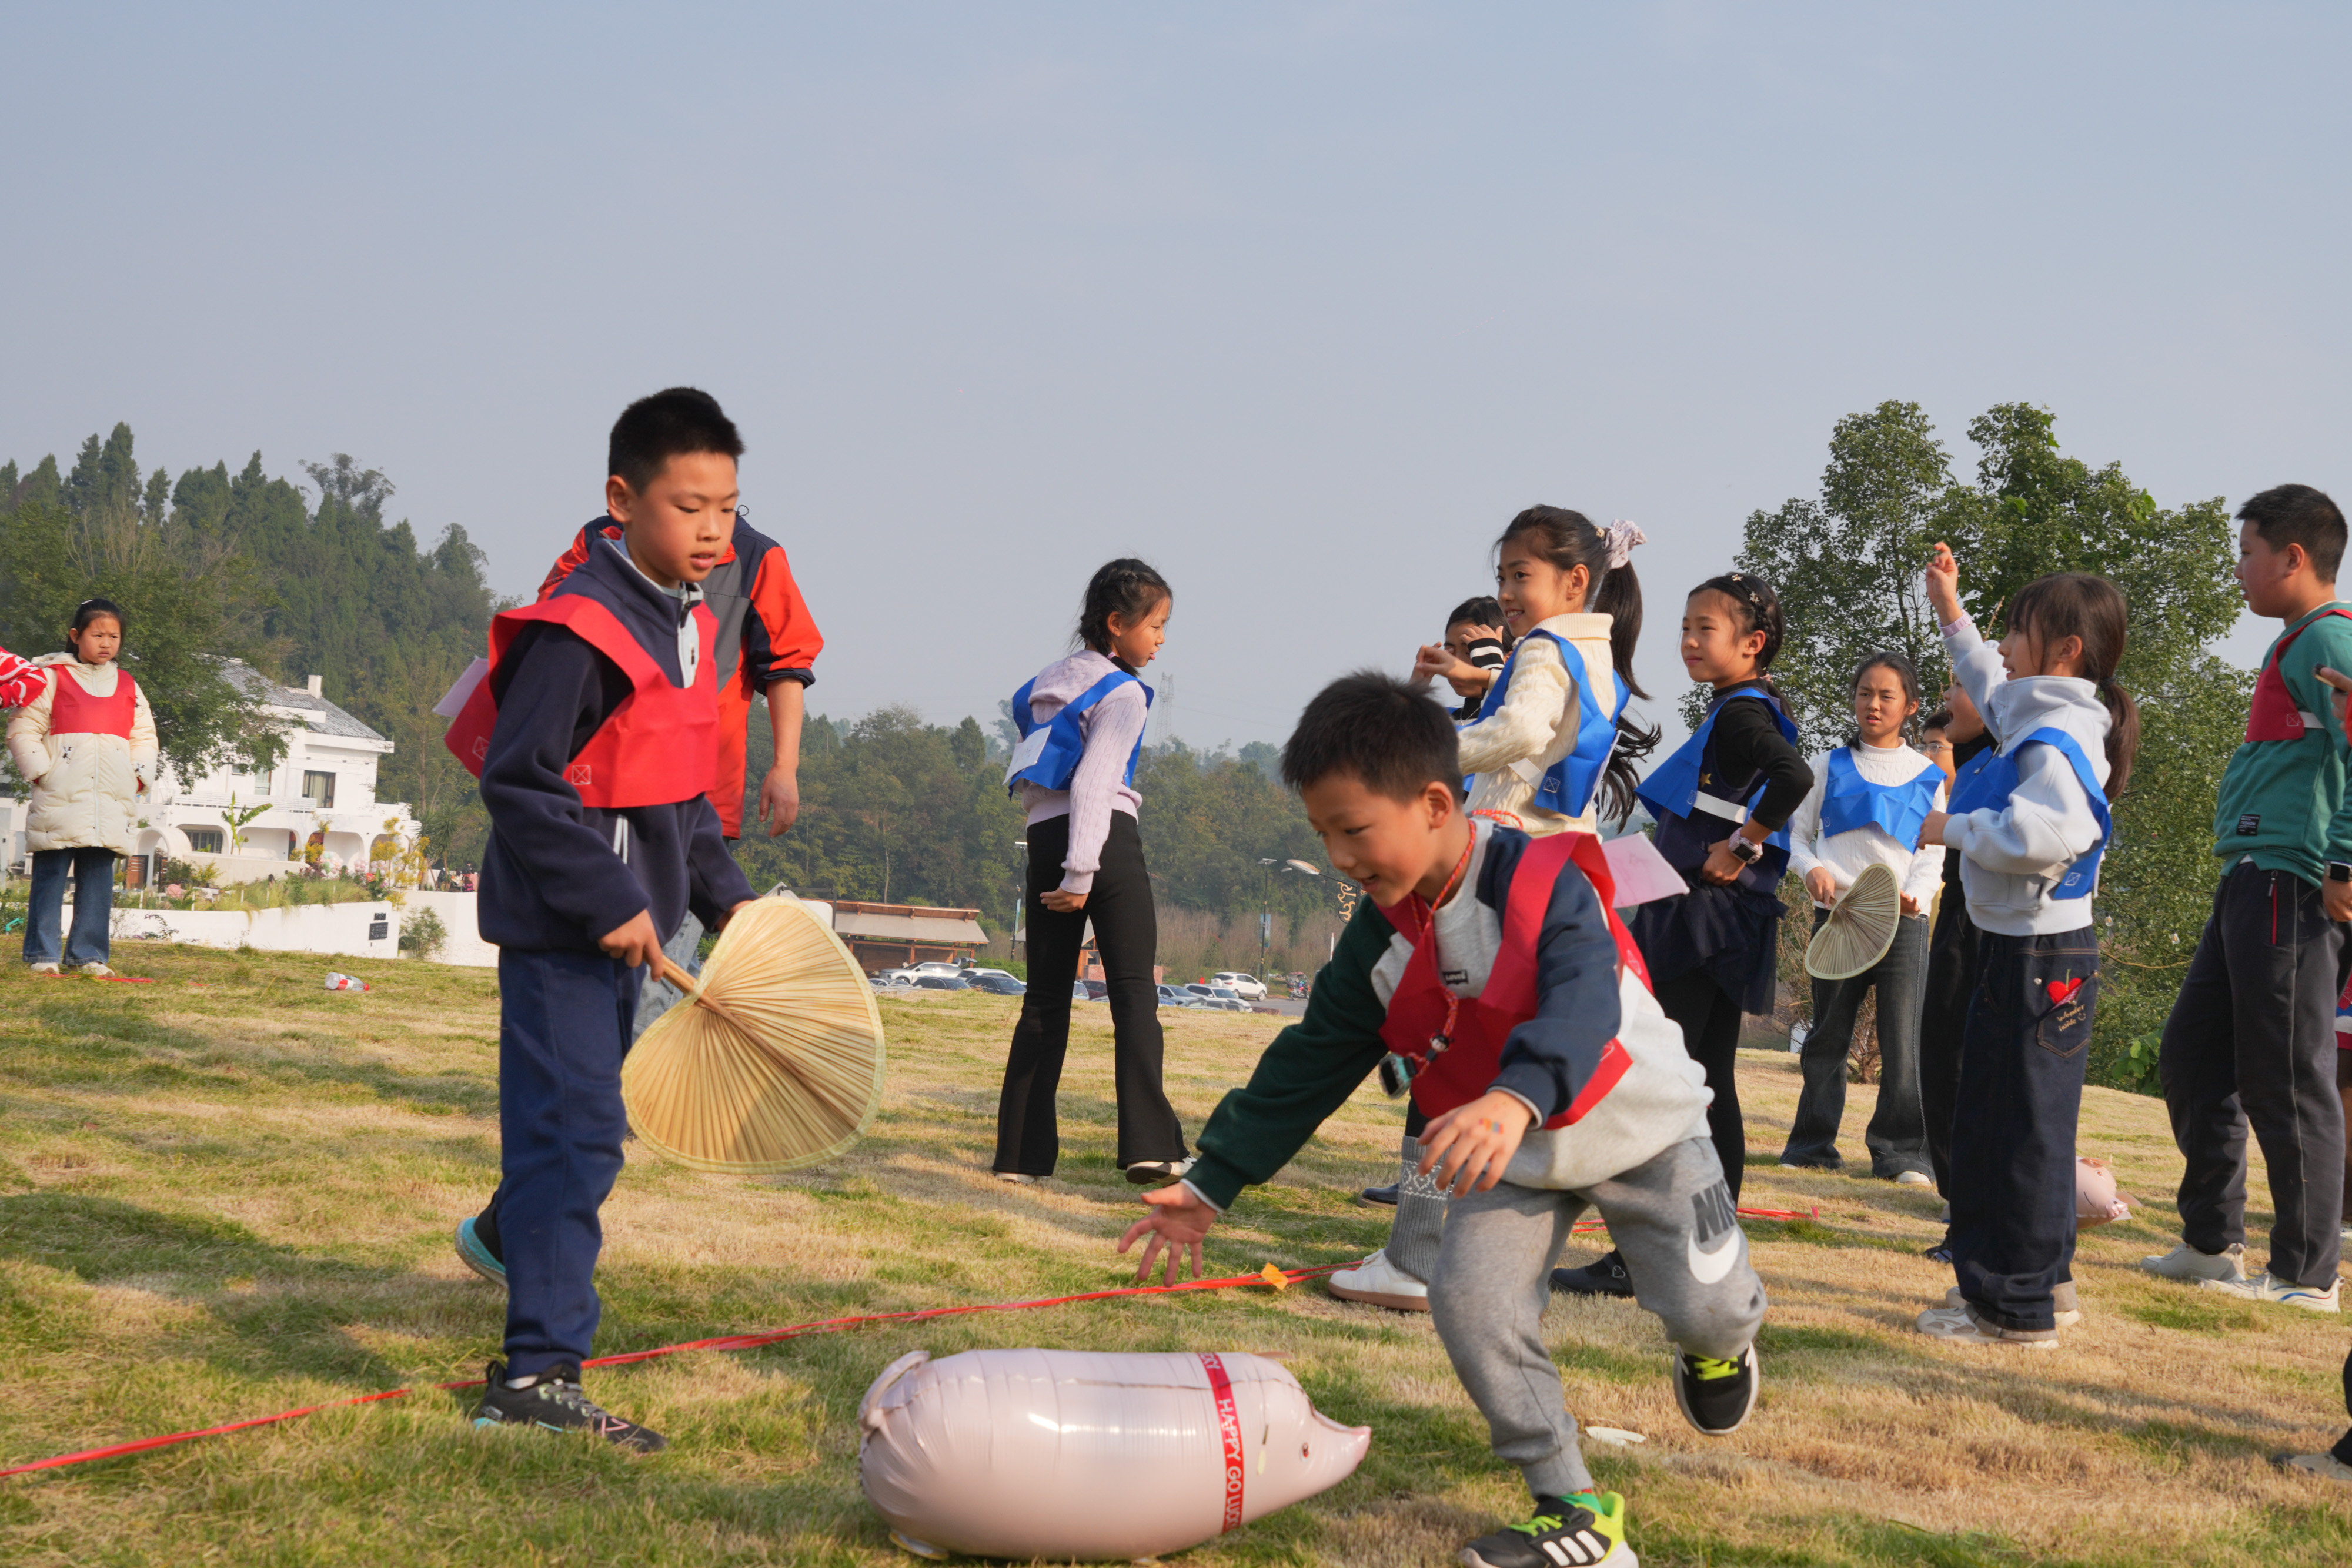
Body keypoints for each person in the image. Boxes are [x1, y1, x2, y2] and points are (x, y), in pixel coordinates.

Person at [1118, 672, 1764, 1568]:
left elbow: (1583, 999)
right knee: (1468, 1299)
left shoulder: (1543, 878)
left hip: (1641, 1124)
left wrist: (1514, 1094)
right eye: (1322, 834)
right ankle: (1576, 1508)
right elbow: (1313, 1055)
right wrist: (1214, 1179)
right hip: (1512, 1153)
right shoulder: (1377, 935)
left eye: (1353, 830)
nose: (1339, 856)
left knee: (1707, 1306)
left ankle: (1721, 1347)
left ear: (1432, 803)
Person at [441, 388, 759, 1449]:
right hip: (563, 935)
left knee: (582, 1136)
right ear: (622, 500)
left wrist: (732, 904)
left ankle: (507, 1233)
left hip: (631, 939)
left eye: (727, 508)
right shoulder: (578, 626)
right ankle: (534, 1378)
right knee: (573, 1136)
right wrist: (608, 897)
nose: (711, 529)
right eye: (688, 506)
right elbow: (520, 781)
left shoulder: (691, 624)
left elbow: (679, 798)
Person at [1347, 509, 1656, 1314]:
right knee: (1513, 1065)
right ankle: (1477, 1258)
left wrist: (1421, 761)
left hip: (1502, 865)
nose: (1508, 592)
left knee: (1434, 1045)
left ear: (1575, 581)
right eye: (1503, 577)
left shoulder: (1546, 647)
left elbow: (1520, 728)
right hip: (1564, 868)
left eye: (1521, 575)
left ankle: (1416, 1256)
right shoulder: (1600, 653)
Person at [1559, 573, 1810, 1299]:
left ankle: (1648, 1255)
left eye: (1706, 628)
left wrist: (1743, 845)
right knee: (1706, 1082)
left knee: (1666, 1083)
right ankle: (1706, 1247)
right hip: (1722, 920)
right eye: (1685, 627)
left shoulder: (1741, 714)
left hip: (1703, 918)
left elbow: (1792, 778)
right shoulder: (1745, 706)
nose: (1689, 641)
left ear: (1752, 643)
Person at [1913, 543, 2133, 1348]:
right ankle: (2039, 1282)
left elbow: (2049, 834)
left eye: (2017, 629)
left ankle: (2016, 1307)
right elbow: (1986, 680)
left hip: (2040, 959)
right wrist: (1949, 607)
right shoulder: (2041, 711)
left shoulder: (2057, 732)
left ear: (2065, 650)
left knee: (2017, 1128)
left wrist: (1951, 828)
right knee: (2004, 1118)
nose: (2003, 645)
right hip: (2028, 951)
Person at [2140, 485, 2352, 1313]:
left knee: (2288, 1076)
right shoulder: (2298, 640)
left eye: (2247, 552)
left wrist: (2344, 860)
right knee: (2193, 1056)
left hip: (2292, 883)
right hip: (2250, 875)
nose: (2238, 568)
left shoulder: (2330, 635)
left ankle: (2306, 1273)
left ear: (2293, 557)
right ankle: (2209, 1243)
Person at [993, 559, 1190, 1186]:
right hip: (1103, 842)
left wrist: (1058, 859)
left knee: (1044, 999)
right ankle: (1148, 1148)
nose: (1161, 639)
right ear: (1116, 624)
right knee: (1133, 992)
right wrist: (1082, 872)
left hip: (1043, 837)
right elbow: (1096, 782)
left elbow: (1036, 778)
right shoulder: (1123, 692)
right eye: (1155, 625)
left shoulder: (1038, 687)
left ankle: (1019, 1157)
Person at [1778, 651, 1946, 1183]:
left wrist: (1916, 895)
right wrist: (1811, 870)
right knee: (1827, 1036)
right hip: (1839, 917)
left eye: (1886, 695)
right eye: (1864, 693)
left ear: (1910, 706)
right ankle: (1811, 1146)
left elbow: (1933, 853)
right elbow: (1795, 835)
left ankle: (1902, 1154)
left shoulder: (1928, 775)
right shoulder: (1828, 765)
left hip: (1904, 924)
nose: (1873, 704)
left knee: (1904, 1041)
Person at [7, 599, 156, 977]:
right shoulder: (51, 678)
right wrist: (43, 773)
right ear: (76, 636)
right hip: (60, 794)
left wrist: (138, 776)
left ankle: (89, 956)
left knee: (98, 877)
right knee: (50, 875)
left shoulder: (128, 685)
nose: (106, 643)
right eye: (97, 635)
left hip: (111, 798)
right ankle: (42, 954)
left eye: (114, 637)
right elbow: (24, 730)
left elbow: (144, 736)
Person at [1916, 687, 1992, 1243]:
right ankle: (1961, 1192)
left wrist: (1952, 829)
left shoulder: (2013, 755)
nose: (1948, 692)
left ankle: (1978, 1197)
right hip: (1958, 916)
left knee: (1971, 1062)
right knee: (1940, 1055)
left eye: (1962, 687)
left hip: (1991, 922)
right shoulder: (1973, 759)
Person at [1423, 594, 1514, 720]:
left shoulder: (1523, 716)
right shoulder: (1439, 720)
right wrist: (1417, 687)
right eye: (1450, 651)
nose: (1455, 662)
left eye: (1469, 652)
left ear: (1508, 659)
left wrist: (1492, 668)